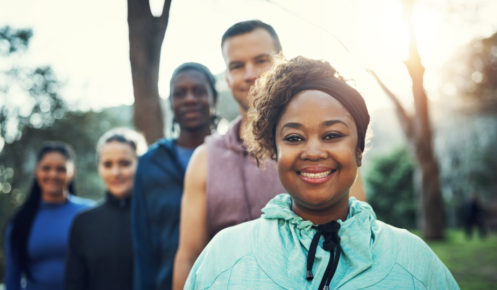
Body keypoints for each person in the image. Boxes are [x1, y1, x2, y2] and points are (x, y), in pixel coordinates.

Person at [184, 56, 459, 289]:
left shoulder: (414, 263)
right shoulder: (223, 258)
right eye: (293, 138)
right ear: (274, 151)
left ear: (359, 151)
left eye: (332, 135)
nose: (313, 152)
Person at [173, 20, 366, 289]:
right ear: (227, 78)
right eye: (237, 65)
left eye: (261, 60)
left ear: (281, 63)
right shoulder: (205, 159)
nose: (249, 74)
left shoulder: (325, 155)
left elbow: (357, 235)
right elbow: (189, 257)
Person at [131, 62, 218, 290]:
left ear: (214, 99)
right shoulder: (149, 164)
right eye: (180, 93)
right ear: (171, 103)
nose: (189, 99)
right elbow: (142, 245)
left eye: (199, 91)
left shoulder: (235, 157)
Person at [64, 128, 147, 290]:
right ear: (99, 168)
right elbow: (73, 284)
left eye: (125, 163)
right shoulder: (83, 223)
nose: (116, 172)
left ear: (141, 163)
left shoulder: (157, 218)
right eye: (108, 164)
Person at [4, 142, 94, 290]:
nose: (53, 174)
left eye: (61, 169)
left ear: (73, 172)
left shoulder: (89, 213)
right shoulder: (20, 221)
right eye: (46, 168)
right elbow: (12, 279)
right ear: (36, 171)